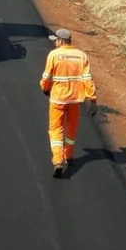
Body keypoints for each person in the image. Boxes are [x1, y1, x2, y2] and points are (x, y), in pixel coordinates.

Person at [39, 28, 98, 178]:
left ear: (60, 41)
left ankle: (58, 161)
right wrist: (92, 98)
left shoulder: (54, 55)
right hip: (75, 100)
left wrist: (45, 88)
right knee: (71, 129)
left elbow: (47, 76)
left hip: (58, 99)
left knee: (55, 129)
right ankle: (69, 156)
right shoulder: (81, 56)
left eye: (56, 41)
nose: (55, 43)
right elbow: (87, 78)